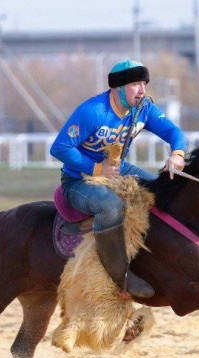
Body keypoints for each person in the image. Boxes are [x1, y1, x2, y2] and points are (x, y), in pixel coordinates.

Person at [50, 60, 187, 298]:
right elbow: (60, 147)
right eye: (135, 84)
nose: (142, 90)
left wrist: (177, 154)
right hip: (78, 180)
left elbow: (174, 133)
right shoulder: (92, 111)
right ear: (118, 88)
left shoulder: (144, 108)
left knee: (159, 190)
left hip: (118, 169)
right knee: (111, 206)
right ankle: (120, 274)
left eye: (144, 83)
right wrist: (96, 169)